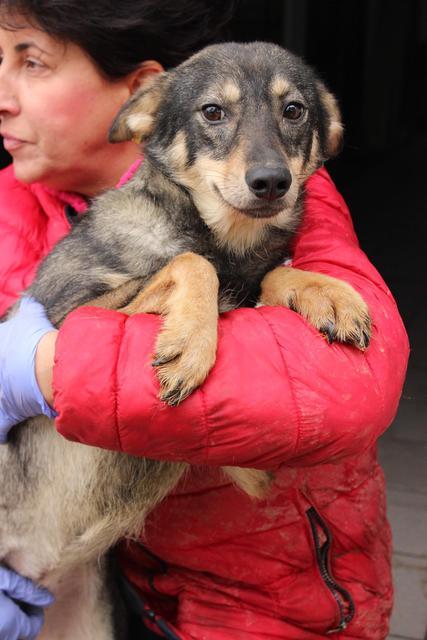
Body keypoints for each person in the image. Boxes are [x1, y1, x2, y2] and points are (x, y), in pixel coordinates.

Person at [0, 1, 409, 638]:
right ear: (147, 117)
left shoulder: (302, 216)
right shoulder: (26, 209)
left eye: (32, 63)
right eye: (216, 114)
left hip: (242, 600)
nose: (2, 95)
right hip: (63, 547)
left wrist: (40, 365)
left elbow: (352, 386)